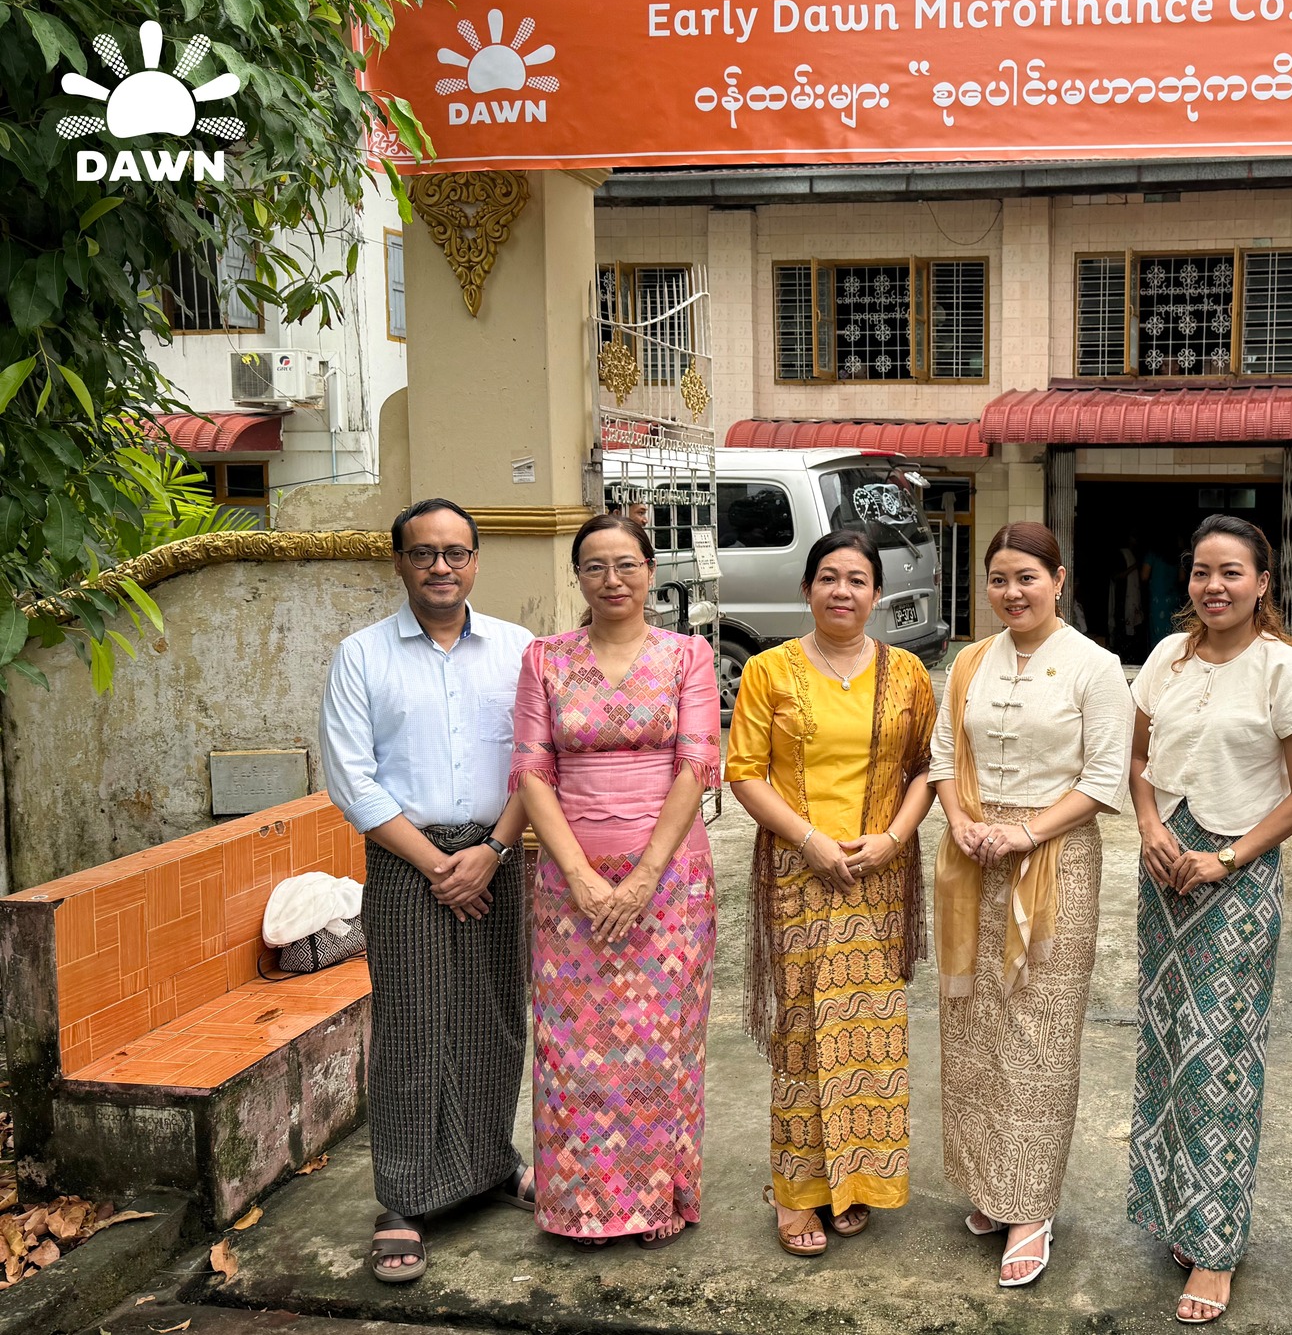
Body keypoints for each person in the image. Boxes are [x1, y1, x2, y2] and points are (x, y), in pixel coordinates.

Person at [320, 498, 538, 1283]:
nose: (440, 566)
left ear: (476, 560)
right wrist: (440, 865)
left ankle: (490, 1163)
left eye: (455, 552)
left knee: (494, 1016)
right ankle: (404, 1196)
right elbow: (352, 779)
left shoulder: (518, 650)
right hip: (404, 857)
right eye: (424, 553)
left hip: (499, 851)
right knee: (413, 1023)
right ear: (400, 562)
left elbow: (537, 761)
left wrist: (492, 850)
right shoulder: (361, 656)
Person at [1126, 516, 1292, 1325]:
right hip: (1164, 874)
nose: (1214, 586)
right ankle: (1178, 1212)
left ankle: (1216, 1247)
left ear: (1262, 582)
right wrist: (1149, 827)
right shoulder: (1166, 659)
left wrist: (1229, 857)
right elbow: (1137, 761)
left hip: (1235, 882)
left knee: (1222, 1056)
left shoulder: (1283, 668)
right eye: (1202, 571)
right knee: (1169, 1046)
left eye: (1232, 572)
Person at [931, 522, 1135, 1288]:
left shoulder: (1095, 665)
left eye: (1027, 577)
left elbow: (1104, 777)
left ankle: (1031, 1206)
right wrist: (961, 822)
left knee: (1038, 1034)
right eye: (999, 579)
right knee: (975, 1026)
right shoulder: (969, 661)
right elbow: (943, 757)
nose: (1012, 592)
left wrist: (1025, 832)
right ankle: (992, 1185)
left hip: (1054, 858)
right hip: (972, 856)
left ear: (1059, 578)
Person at [510, 514, 720, 1249]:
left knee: (663, 1046)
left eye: (626, 564)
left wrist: (642, 880)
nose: (612, 579)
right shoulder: (544, 659)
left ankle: (658, 1199)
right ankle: (583, 1206)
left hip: (670, 885)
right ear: (579, 577)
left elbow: (697, 763)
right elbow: (531, 770)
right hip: (570, 889)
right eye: (595, 566)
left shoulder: (688, 655)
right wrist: (580, 877)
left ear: (651, 571)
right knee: (574, 1050)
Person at [726, 529, 938, 1257]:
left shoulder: (907, 673)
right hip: (799, 873)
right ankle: (797, 1192)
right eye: (827, 577)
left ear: (877, 593)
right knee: (802, 1033)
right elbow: (744, 771)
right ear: (807, 588)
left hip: (879, 876)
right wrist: (809, 840)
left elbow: (926, 769)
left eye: (856, 579)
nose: (841, 591)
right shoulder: (768, 670)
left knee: (869, 1035)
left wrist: (894, 839)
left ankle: (854, 1183)